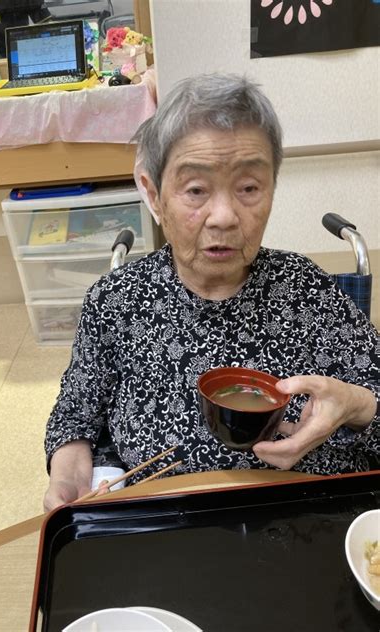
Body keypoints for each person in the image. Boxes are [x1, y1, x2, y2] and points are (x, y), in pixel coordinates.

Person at [44, 74, 379, 512]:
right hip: (166, 530)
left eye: (248, 188)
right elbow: (75, 417)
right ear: (153, 194)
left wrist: (358, 404)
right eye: (196, 190)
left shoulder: (308, 290)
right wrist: (68, 481)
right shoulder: (115, 301)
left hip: (305, 522)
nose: (224, 217)